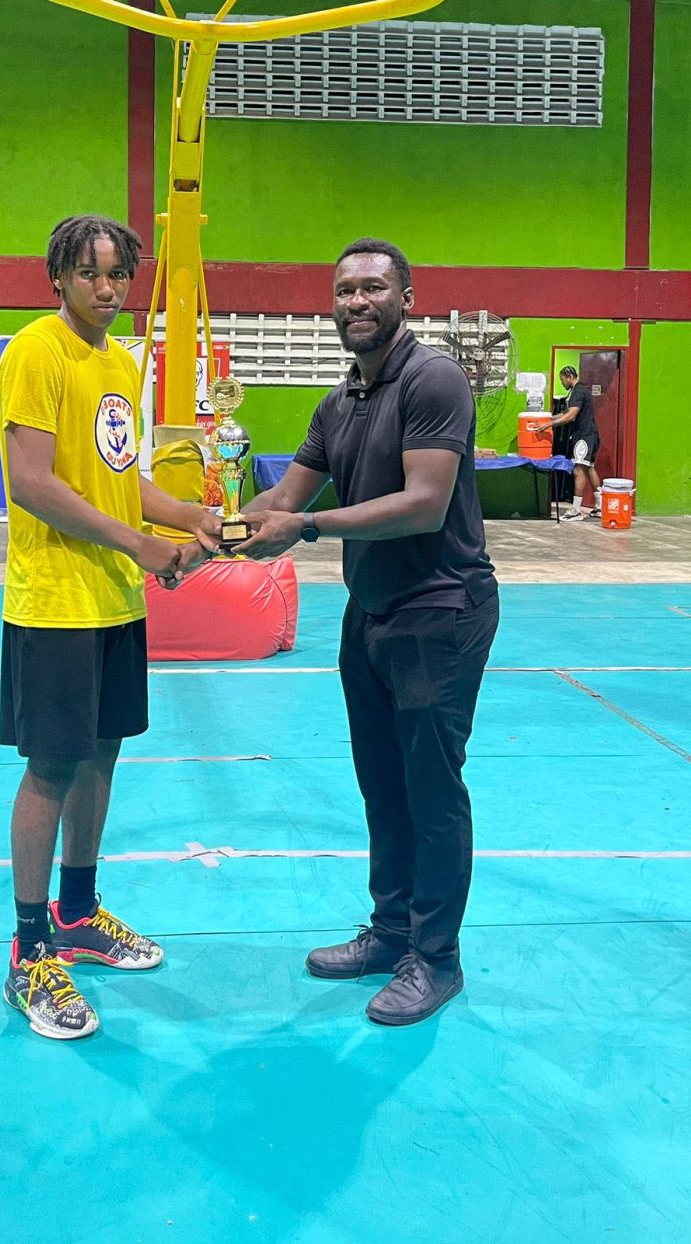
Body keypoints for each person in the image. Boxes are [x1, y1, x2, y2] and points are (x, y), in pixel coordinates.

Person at [235, 238, 500, 1026]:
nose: (357, 301)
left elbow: (423, 500)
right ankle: (390, 934)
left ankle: (437, 958)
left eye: (374, 288)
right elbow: (283, 497)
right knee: (381, 785)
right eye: (345, 289)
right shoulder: (339, 402)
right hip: (372, 614)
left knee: (430, 790)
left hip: (439, 610)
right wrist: (197, 535)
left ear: (407, 299)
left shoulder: (434, 380)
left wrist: (307, 527)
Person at [0, 214, 219, 1040]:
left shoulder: (121, 364)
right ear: (58, 277)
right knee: (52, 767)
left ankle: (79, 913)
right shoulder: (35, 352)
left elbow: (122, 484)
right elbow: (32, 483)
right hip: (55, 600)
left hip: (116, 599)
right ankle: (28, 953)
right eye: (90, 274)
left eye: (119, 275)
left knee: (101, 757)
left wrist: (186, 513)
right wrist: (140, 542)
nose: (107, 289)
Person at [539, 365, 601, 521]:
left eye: (562, 380)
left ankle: (576, 510)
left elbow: (571, 416)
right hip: (590, 435)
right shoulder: (578, 391)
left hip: (583, 436)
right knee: (590, 468)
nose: (562, 383)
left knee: (578, 469)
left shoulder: (578, 391)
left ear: (569, 376)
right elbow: (567, 412)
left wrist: (548, 425)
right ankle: (600, 506)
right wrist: (550, 417)